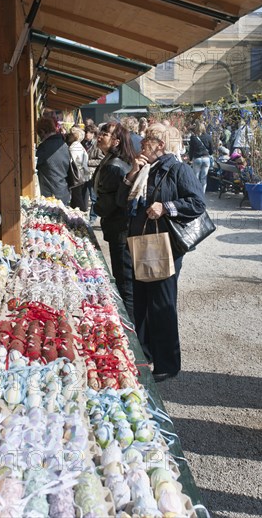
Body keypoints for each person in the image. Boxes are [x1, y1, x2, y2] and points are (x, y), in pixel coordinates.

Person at [117, 123, 205, 382]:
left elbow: (197, 203)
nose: (141, 144)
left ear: (161, 145)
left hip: (164, 244)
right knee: (142, 301)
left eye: (147, 140)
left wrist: (166, 207)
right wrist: (132, 173)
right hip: (142, 242)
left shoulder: (178, 169)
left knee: (162, 303)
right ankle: (143, 356)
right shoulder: (144, 169)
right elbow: (122, 202)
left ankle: (167, 363)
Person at [92, 122, 135, 323]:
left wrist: (96, 208)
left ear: (116, 141)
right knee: (124, 278)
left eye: (105, 133)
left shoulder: (113, 165)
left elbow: (109, 203)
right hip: (120, 228)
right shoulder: (113, 160)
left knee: (124, 280)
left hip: (120, 229)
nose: (100, 136)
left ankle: (129, 327)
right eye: (100, 132)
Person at [35, 117, 70, 206]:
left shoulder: (45, 147)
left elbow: (34, 165)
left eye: (39, 134)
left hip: (50, 194)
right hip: (63, 190)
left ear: (43, 131)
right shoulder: (63, 144)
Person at [65, 127, 90, 212]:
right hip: (82, 174)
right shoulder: (80, 146)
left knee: (77, 197)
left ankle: (82, 214)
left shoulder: (74, 147)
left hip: (76, 175)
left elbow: (74, 162)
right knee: (76, 197)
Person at [82, 125, 103, 224]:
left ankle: (93, 217)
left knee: (93, 197)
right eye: (86, 132)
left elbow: (101, 160)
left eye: (89, 132)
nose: (87, 134)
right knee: (82, 195)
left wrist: (87, 162)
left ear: (93, 134)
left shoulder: (96, 145)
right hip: (82, 174)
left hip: (92, 174)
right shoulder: (82, 143)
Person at [188, 120, 213, 193]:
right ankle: (202, 193)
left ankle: (196, 192)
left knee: (196, 177)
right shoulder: (208, 137)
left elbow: (191, 150)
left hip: (197, 158)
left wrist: (190, 159)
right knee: (204, 178)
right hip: (206, 158)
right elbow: (211, 149)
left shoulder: (193, 137)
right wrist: (210, 154)